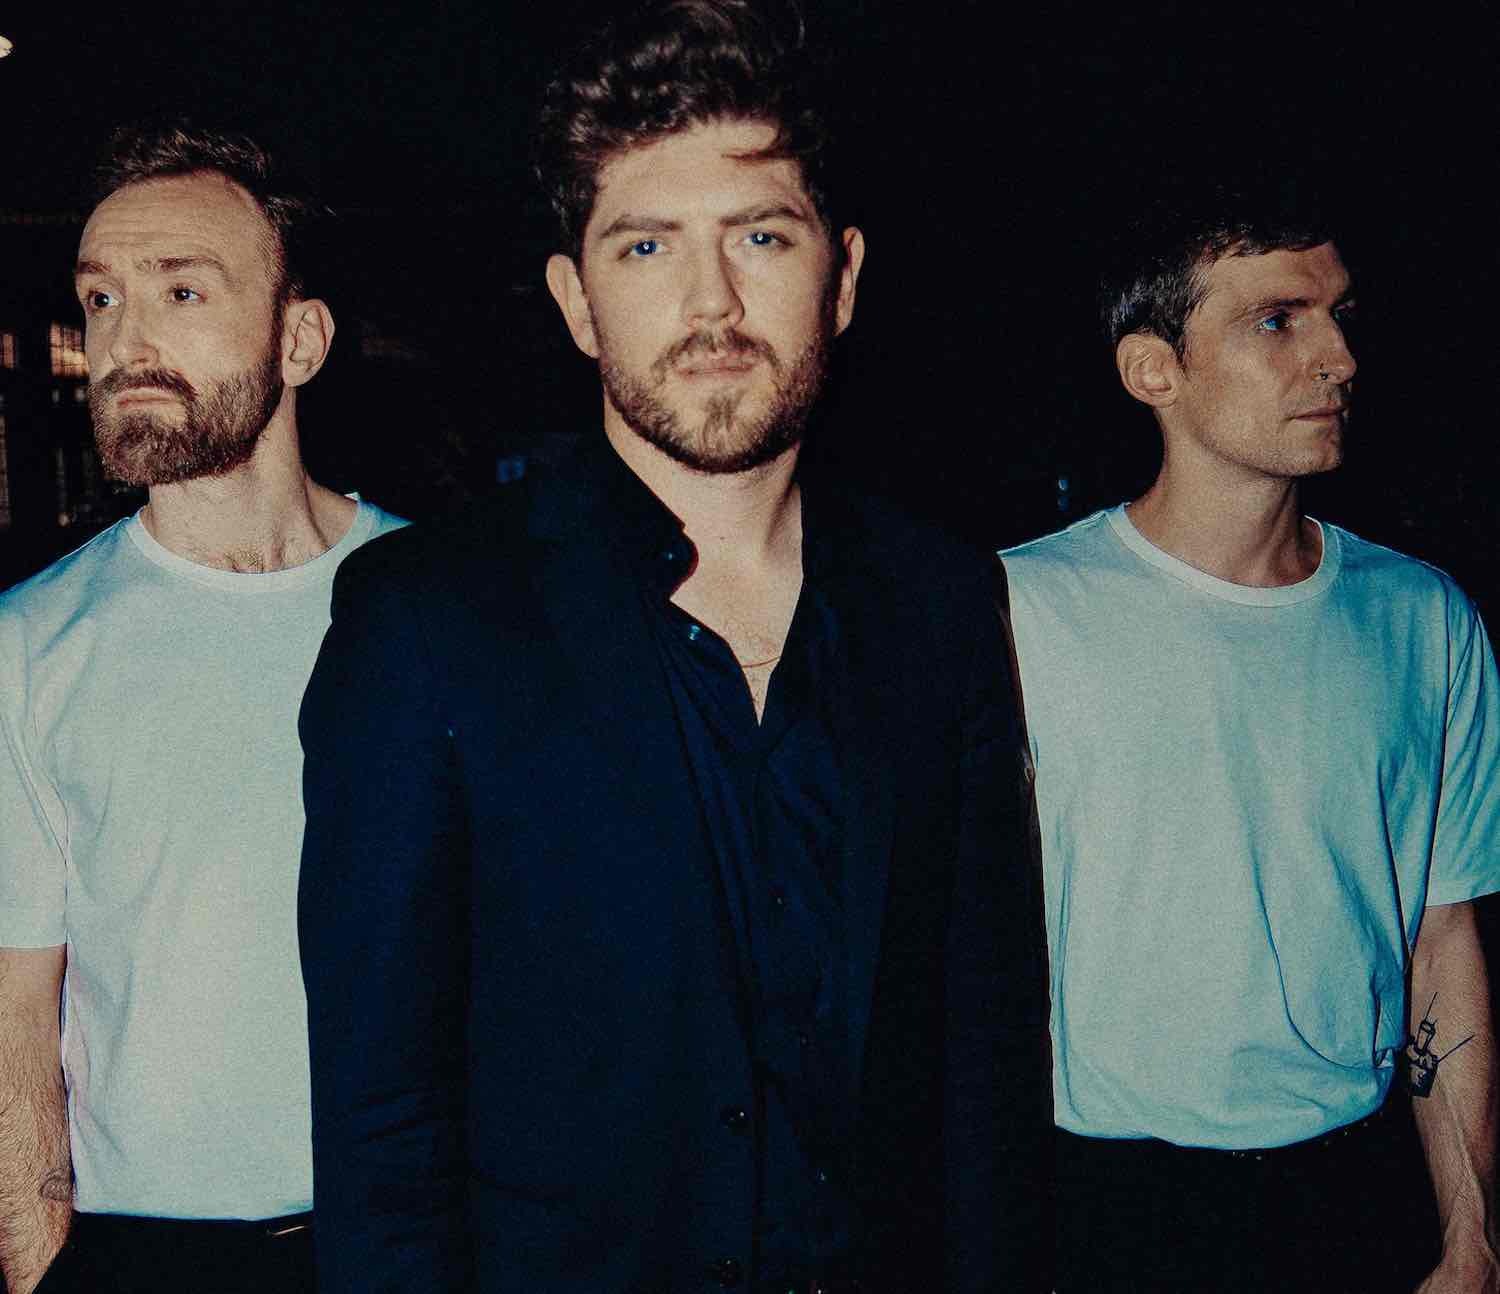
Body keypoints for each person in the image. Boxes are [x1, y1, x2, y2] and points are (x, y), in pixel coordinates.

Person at [296, 2, 1050, 1291]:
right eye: (647, 245)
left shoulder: (941, 600)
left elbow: (983, 1064)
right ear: (577, 301)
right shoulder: (421, 621)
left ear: (843, 278)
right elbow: (383, 1130)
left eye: (761, 235)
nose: (713, 301)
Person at [1002, 193, 1500, 1292]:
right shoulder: (1017, 612)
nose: (1339, 358)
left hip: (1352, 1192)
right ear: (1154, 370)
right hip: (1098, 1202)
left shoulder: (1424, 618)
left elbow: (1443, 935)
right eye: (1278, 321)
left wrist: (1471, 1237)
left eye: (1340, 316)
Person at [0, 123, 405, 1294]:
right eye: (102, 298)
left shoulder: (439, 608)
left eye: (181, 291)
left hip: (408, 1238)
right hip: (148, 1256)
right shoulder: (31, 642)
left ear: (300, 339)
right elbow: (16, 1020)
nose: (126, 340)